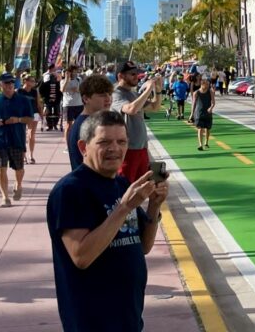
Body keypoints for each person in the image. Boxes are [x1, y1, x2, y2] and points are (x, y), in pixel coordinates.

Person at [47, 110, 168, 332]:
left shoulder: (121, 184)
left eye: (121, 141)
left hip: (128, 316)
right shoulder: (72, 190)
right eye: (104, 142)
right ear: (83, 147)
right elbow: (81, 256)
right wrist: (124, 208)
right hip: (92, 321)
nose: (115, 148)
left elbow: (143, 246)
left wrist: (154, 205)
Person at [0, 73, 35, 207]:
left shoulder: (24, 100)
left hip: (17, 138)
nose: (10, 85)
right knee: (1, 168)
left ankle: (18, 184)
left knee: (19, 168)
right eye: (6, 83)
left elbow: (30, 120)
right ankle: (5, 197)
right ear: (0, 85)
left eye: (12, 82)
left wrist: (17, 120)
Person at [111, 61, 162, 183]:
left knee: (142, 187)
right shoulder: (116, 93)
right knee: (126, 188)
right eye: (132, 74)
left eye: (137, 74)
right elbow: (131, 109)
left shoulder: (134, 93)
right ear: (120, 76)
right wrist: (148, 89)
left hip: (141, 147)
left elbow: (155, 107)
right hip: (128, 150)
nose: (136, 77)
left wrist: (158, 90)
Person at [67, 75, 115, 171]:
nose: (108, 98)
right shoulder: (87, 125)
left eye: (109, 94)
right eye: (102, 94)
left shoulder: (88, 121)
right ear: (86, 99)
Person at [18, 75, 43, 163]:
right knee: (22, 134)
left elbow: (39, 104)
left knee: (31, 134)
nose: (33, 82)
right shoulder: (19, 91)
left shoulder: (35, 92)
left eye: (34, 81)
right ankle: (23, 155)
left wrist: (42, 115)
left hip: (34, 114)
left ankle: (31, 155)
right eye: (32, 81)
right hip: (22, 115)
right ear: (26, 81)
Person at [61, 66, 84, 141]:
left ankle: (77, 142)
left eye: (76, 71)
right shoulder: (63, 81)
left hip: (78, 104)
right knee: (68, 125)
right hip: (68, 105)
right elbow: (62, 90)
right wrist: (67, 79)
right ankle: (68, 144)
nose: (75, 73)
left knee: (79, 124)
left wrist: (78, 90)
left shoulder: (79, 80)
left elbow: (84, 90)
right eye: (73, 72)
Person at [191, 79, 215, 150]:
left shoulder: (210, 92)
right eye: (207, 85)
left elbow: (213, 102)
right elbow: (193, 104)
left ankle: (206, 142)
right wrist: (192, 113)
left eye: (208, 85)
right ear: (202, 84)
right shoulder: (196, 93)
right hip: (199, 113)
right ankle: (200, 145)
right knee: (200, 129)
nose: (208, 86)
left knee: (207, 129)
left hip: (208, 113)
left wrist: (211, 107)